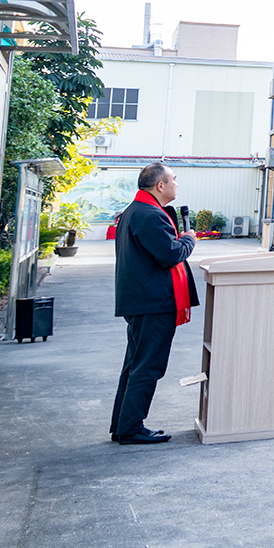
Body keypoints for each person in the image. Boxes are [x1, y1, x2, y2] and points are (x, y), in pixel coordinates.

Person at [110, 163, 197, 444]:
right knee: (148, 366)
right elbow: (170, 254)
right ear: (160, 185)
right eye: (174, 179)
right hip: (153, 302)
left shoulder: (136, 211)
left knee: (135, 364)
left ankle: (123, 425)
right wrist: (189, 241)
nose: (176, 184)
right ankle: (130, 428)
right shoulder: (149, 214)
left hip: (142, 300)